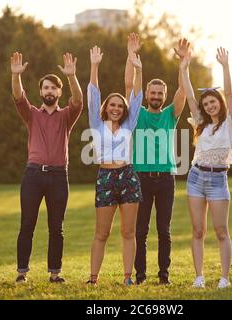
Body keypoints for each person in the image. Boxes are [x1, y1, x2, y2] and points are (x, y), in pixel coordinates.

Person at [11, 52, 83, 284]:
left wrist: (71, 77)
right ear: (41, 92)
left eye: (54, 88)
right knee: (27, 224)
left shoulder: (66, 116)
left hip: (58, 177)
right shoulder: (31, 114)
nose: (50, 91)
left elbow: (79, 101)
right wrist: (15, 75)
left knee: (56, 228)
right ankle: (22, 272)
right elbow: (18, 97)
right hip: (33, 175)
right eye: (46, 88)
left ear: (59, 92)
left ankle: (55, 273)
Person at [127, 36, 188, 285]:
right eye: (152, 92)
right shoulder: (138, 114)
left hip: (165, 178)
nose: (155, 95)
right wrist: (136, 65)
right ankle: (140, 276)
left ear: (164, 95)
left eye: (159, 93)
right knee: (140, 232)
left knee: (164, 230)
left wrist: (183, 64)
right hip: (140, 177)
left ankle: (164, 276)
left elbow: (183, 91)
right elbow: (133, 90)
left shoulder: (170, 115)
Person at [181, 47, 232, 289]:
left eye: (212, 101)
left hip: (218, 180)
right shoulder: (201, 123)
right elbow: (187, 94)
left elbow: (228, 91)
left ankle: (224, 279)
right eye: (205, 103)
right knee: (198, 230)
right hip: (196, 177)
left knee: (221, 231)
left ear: (220, 102)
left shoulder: (231, 123)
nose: (209, 105)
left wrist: (226, 66)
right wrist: (184, 67)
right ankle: (199, 277)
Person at [86, 42, 143, 286]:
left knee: (128, 232)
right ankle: (93, 278)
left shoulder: (129, 125)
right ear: (106, 108)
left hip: (127, 177)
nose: (117, 108)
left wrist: (137, 68)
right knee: (102, 233)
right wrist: (94, 66)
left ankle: (128, 278)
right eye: (113, 105)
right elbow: (93, 92)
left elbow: (137, 95)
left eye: (120, 106)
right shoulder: (96, 124)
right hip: (106, 178)